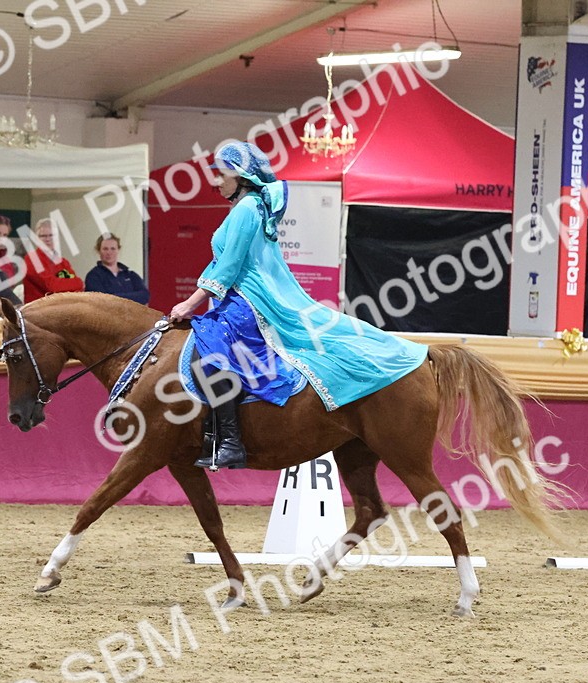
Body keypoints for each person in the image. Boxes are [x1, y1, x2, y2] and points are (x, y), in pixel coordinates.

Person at [168, 141, 427, 470]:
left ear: (242, 175)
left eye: (222, 175)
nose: (216, 182)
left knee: (212, 351)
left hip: (249, 301)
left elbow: (229, 266)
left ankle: (230, 441)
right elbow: (222, 264)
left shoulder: (247, 209)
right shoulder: (248, 207)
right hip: (236, 297)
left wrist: (190, 303)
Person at [23, 218, 84, 303]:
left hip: (62, 307)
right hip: (38, 308)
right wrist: (79, 282)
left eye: (51, 235)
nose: (48, 239)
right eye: (43, 236)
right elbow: (51, 286)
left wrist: (74, 284)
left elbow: (78, 290)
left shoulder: (63, 262)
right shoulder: (32, 259)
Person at [84, 233, 149, 305]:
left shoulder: (131, 275)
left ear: (118, 250)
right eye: (105, 249)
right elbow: (102, 301)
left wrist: (114, 297)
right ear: (99, 251)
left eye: (113, 248)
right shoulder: (93, 276)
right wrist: (132, 298)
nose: (109, 252)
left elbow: (145, 295)